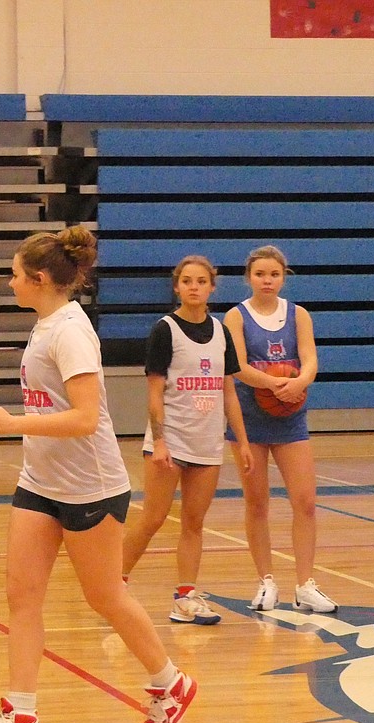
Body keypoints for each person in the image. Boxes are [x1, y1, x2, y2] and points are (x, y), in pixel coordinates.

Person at [0, 227, 197, 723]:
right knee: (21, 595)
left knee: (104, 595)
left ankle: (170, 682)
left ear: (40, 279)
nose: (9, 283)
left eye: (15, 275)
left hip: (90, 487)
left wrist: (12, 423)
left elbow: (86, 418)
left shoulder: (71, 330)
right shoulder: (45, 324)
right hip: (40, 483)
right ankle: (20, 714)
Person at [121, 255, 266, 626]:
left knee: (193, 523)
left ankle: (185, 597)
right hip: (171, 441)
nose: (194, 287)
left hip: (208, 442)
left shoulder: (221, 332)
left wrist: (243, 441)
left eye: (201, 281)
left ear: (212, 287)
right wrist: (161, 440)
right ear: (177, 286)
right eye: (187, 281)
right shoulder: (164, 330)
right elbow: (155, 392)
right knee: (153, 518)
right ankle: (113, 583)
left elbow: (228, 391)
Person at [224, 245, 338, 613]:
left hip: (290, 415)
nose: (267, 280)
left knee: (304, 501)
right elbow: (237, 366)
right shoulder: (235, 317)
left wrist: (300, 381)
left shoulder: (298, 314)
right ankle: (266, 582)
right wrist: (274, 384)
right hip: (250, 417)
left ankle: (305, 584)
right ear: (249, 278)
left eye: (274, 274)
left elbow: (310, 360)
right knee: (257, 503)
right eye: (260, 274)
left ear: (283, 276)